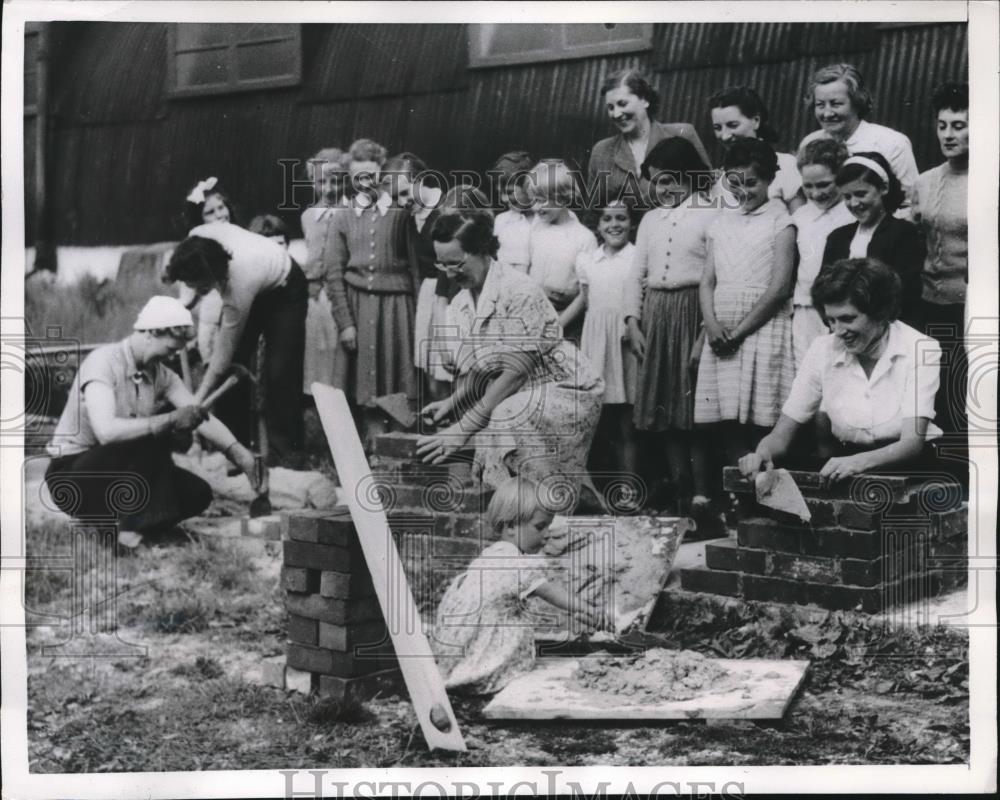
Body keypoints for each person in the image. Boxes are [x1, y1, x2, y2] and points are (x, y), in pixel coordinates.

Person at [415, 208, 605, 512]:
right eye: (443, 264)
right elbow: (485, 369)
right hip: (518, 392)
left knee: (502, 416)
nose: (449, 274)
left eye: (456, 263)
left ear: (482, 251)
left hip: (565, 387)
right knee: (497, 423)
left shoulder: (518, 289)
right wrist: (452, 403)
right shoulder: (463, 303)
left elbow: (516, 371)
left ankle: (552, 512)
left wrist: (463, 428)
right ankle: (520, 520)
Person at [44, 296, 259, 549]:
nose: (172, 356)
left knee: (196, 493)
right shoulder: (102, 362)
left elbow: (199, 417)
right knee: (152, 436)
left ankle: (121, 524)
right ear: (151, 333)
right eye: (170, 348)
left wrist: (240, 454)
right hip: (72, 475)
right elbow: (107, 432)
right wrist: (168, 420)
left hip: (115, 471)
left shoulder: (160, 374)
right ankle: (125, 530)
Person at [738, 258, 943, 483]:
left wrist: (856, 463)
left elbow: (911, 445)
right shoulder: (821, 349)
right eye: (831, 320)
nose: (837, 331)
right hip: (847, 466)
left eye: (847, 319)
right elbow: (781, 435)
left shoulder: (921, 348)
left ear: (881, 312)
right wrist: (761, 454)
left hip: (912, 469)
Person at [430, 477, 602, 695]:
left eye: (548, 526)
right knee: (517, 621)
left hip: (457, 652)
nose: (547, 533)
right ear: (511, 526)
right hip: (482, 660)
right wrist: (587, 610)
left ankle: (462, 672)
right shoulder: (519, 564)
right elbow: (553, 594)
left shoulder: (492, 555)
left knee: (513, 612)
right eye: (540, 526)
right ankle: (501, 672)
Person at [625, 137, 718, 523]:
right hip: (657, 315)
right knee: (664, 414)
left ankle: (703, 495)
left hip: (692, 312)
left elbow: (717, 276)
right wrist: (633, 321)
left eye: (671, 180)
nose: (664, 189)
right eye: (657, 182)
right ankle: (679, 493)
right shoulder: (650, 219)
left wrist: (703, 336)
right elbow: (637, 275)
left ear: (691, 176)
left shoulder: (711, 214)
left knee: (693, 413)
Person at [165, 222, 308, 466]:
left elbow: (222, 354)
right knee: (234, 368)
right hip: (254, 274)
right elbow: (188, 286)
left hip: (285, 288)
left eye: (202, 286)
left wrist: (197, 398)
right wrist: (184, 305)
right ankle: (232, 451)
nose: (198, 291)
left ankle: (288, 459)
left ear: (215, 276)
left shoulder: (239, 283)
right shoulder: (196, 239)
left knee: (279, 373)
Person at [694, 139, 796, 467]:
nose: (744, 190)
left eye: (751, 182)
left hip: (760, 327)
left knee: (760, 417)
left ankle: (764, 490)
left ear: (769, 179)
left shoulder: (782, 221)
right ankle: (738, 495)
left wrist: (738, 333)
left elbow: (779, 288)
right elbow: (707, 281)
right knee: (726, 418)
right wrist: (711, 323)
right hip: (720, 328)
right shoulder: (721, 223)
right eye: (735, 182)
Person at [320, 139, 419, 446]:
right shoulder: (343, 216)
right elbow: (332, 271)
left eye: (372, 176)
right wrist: (346, 322)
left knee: (402, 382)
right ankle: (373, 450)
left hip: (398, 310)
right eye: (358, 177)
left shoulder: (403, 212)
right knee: (366, 386)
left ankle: (403, 449)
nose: (366, 183)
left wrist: (419, 314)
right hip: (359, 309)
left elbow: (417, 267)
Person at [911, 81, 968, 445]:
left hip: (974, 306)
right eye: (942, 125)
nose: (948, 134)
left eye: (959, 126)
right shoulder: (926, 180)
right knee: (942, 389)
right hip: (932, 303)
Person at [575, 201, 639, 506]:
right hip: (596, 342)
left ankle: (629, 491)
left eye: (621, 218)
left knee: (627, 422)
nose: (614, 225)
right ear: (597, 226)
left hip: (624, 342)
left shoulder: (638, 257)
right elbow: (584, 301)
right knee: (596, 422)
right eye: (607, 219)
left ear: (631, 222)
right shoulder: (588, 260)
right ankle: (591, 492)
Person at [588, 69, 712, 216]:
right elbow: (595, 214)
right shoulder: (602, 151)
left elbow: (708, 192)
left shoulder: (682, 133)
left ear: (645, 100)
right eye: (611, 107)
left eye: (622, 104)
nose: (616, 114)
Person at [798, 63, 918, 215]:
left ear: (857, 101)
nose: (827, 113)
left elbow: (909, 203)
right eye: (820, 105)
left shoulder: (892, 143)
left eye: (836, 104)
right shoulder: (810, 143)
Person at [822, 152, 924, 329]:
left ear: (883, 188)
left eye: (861, 194)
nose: (854, 203)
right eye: (847, 197)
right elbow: (822, 289)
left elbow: (905, 292)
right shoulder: (838, 237)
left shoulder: (902, 233)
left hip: (889, 330)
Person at [790, 139, 855, 367]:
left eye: (824, 185)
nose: (816, 194)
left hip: (840, 311)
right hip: (804, 311)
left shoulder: (852, 215)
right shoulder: (800, 216)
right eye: (808, 186)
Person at [524, 159, 597, 344]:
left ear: (563, 197)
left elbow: (585, 294)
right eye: (533, 200)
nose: (535, 207)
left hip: (567, 322)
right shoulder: (536, 227)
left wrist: (558, 325)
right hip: (533, 316)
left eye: (541, 201)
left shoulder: (583, 238)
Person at [708, 86, 804, 213]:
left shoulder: (786, 164)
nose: (724, 136)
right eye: (717, 128)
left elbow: (800, 219)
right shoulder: (720, 178)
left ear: (756, 121)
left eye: (733, 125)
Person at [300, 148, 350, 392]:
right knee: (317, 357)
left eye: (335, 181)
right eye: (322, 182)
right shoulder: (309, 216)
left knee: (340, 362)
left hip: (342, 294)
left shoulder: (352, 212)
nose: (329, 189)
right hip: (315, 297)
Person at [491, 150, 537, 273]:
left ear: (528, 185)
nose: (503, 199)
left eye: (509, 192)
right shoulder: (502, 221)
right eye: (500, 193)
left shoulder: (548, 219)